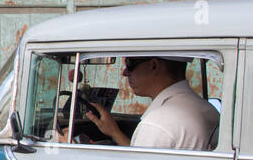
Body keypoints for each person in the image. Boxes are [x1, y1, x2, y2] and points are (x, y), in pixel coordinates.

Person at [84, 56, 219, 150]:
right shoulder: (206, 108)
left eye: (130, 64)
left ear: (154, 65)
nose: (124, 72)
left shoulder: (158, 122)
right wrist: (114, 132)